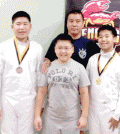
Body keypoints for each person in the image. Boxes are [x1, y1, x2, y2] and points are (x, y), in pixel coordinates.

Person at [34, 34, 90, 134]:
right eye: (59, 48)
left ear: (72, 49)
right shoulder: (47, 67)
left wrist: (84, 116)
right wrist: (37, 116)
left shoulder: (79, 68)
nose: (63, 51)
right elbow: (41, 92)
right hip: (51, 118)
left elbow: (85, 93)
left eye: (66, 48)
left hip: (73, 118)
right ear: (54, 49)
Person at [0, 11, 44, 134]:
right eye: (18, 24)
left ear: (30, 27)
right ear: (12, 27)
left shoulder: (37, 48)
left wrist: (40, 105)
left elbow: (40, 78)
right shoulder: (3, 47)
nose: (21, 27)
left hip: (29, 100)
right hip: (7, 99)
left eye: (25, 24)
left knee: (27, 132)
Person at [41, 9, 100, 74]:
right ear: (66, 24)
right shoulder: (58, 41)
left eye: (77, 21)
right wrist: (46, 62)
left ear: (83, 24)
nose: (74, 24)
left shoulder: (90, 44)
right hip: (60, 80)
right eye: (71, 21)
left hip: (81, 81)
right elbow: (48, 58)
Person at [86, 25, 120, 134]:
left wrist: (117, 115)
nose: (103, 39)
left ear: (114, 38)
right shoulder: (92, 59)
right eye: (100, 37)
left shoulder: (118, 62)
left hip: (111, 113)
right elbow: (85, 85)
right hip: (93, 111)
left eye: (107, 36)